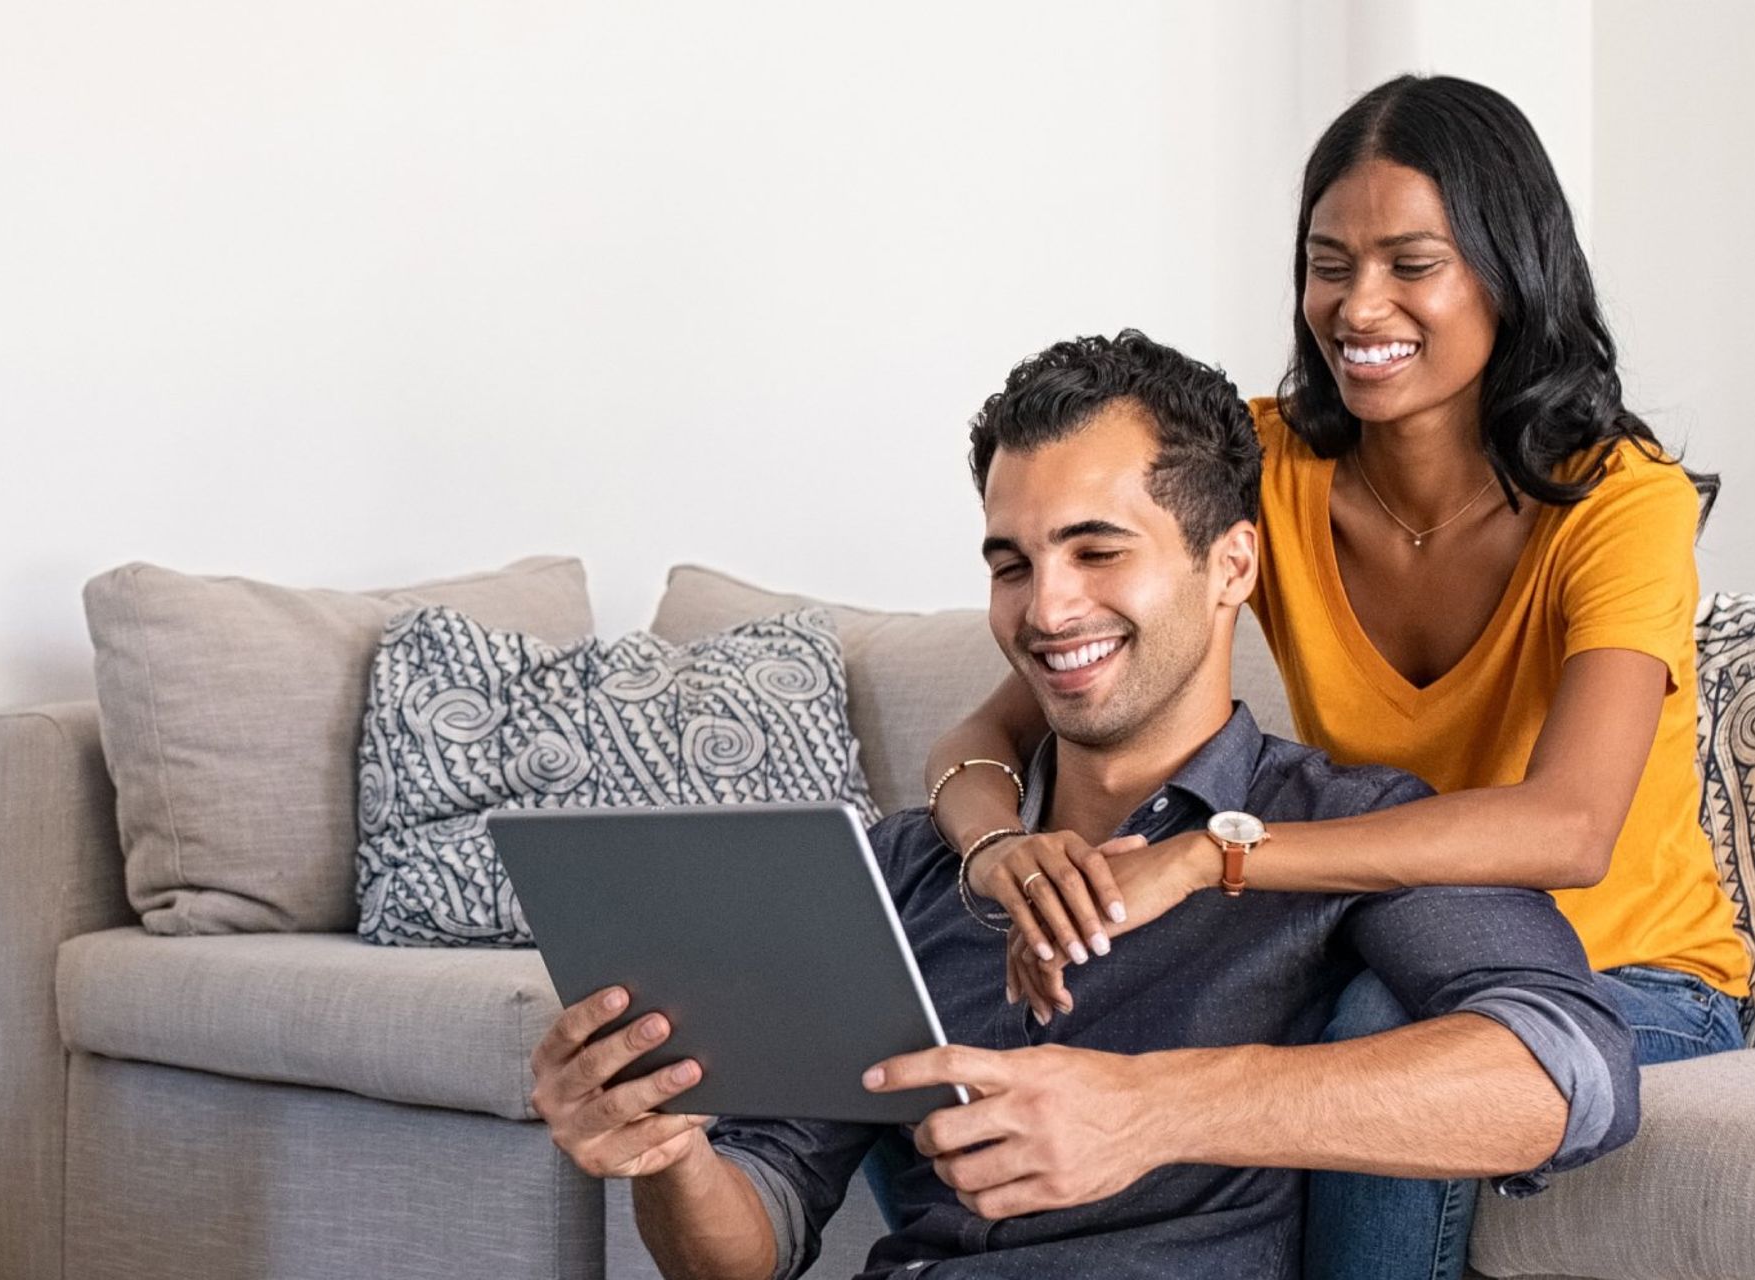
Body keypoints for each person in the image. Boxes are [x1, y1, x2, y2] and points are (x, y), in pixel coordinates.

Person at [527, 332, 1638, 1279]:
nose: (1046, 608)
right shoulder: (918, 863)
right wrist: (663, 1148)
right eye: (1010, 563)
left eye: (1096, 550)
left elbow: (1570, 1069)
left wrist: (1159, 1105)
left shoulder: (1335, 828)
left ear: (1231, 566)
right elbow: (748, 1235)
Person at [923, 75, 1748, 1280]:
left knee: (1371, 1028)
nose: (1358, 304)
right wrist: (994, 847)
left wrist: (1218, 854)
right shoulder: (1269, 466)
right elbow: (988, 733)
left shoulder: (1618, 500)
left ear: (1506, 271)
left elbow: (1568, 828)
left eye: (1411, 262)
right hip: (1382, 929)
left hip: (1621, 969)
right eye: (1328, 262)